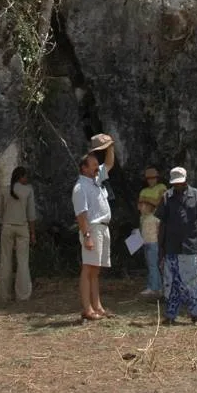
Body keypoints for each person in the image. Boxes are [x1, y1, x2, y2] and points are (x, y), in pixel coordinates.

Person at [155, 166, 197, 325]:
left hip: (190, 246)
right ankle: (171, 315)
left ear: (186, 180)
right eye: (175, 183)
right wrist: (161, 249)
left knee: (194, 281)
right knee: (171, 283)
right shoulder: (167, 197)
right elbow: (162, 224)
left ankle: (196, 314)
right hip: (171, 247)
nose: (178, 186)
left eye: (180, 183)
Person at [72, 133, 115, 320]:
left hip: (103, 228)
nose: (97, 166)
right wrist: (87, 235)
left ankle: (97, 306)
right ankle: (87, 309)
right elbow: (81, 214)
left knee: (96, 270)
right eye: (93, 164)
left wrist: (109, 146)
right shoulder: (80, 187)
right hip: (93, 229)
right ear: (84, 168)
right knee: (88, 268)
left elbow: (110, 164)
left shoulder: (95, 181)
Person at [0, 166, 37, 303]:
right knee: (23, 262)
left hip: (7, 226)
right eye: (25, 176)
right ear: (21, 177)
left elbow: (0, 212)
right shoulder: (28, 190)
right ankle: (23, 294)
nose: (27, 179)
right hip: (22, 227)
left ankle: (4, 294)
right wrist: (33, 233)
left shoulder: (4, 190)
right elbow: (31, 214)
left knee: (5, 260)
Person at [138, 166, 167, 299]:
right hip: (145, 224)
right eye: (148, 178)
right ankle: (154, 285)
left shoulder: (162, 187)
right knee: (149, 260)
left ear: (157, 177)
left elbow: (160, 202)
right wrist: (149, 203)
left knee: (154, 260)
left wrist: (146, 201)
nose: (151, 180)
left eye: (153, 177)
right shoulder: (143, 190)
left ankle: (155, 288)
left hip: (155, 228)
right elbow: (140, 206)